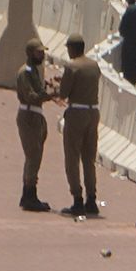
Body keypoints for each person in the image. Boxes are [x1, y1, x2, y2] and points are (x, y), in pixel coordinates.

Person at [55, 41, 102, 221]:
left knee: (72, 157)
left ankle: (77, 199)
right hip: (93, 112)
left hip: (76, 113)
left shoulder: (72, 66)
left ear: (72, 49)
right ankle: (92, 199)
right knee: (89, 159)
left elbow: (64, 93)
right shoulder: (94, 65)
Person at [9, 41, 51, 213]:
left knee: (35, 155)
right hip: (29, 116)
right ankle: (29, 195)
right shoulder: (25, 72)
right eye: (38, 53)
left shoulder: (34, 71)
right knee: (33, 155)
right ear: (30, 53)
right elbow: (32, 96)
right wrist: (49, 95)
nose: (42, 56)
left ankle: (28, 194)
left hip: (35, 115)